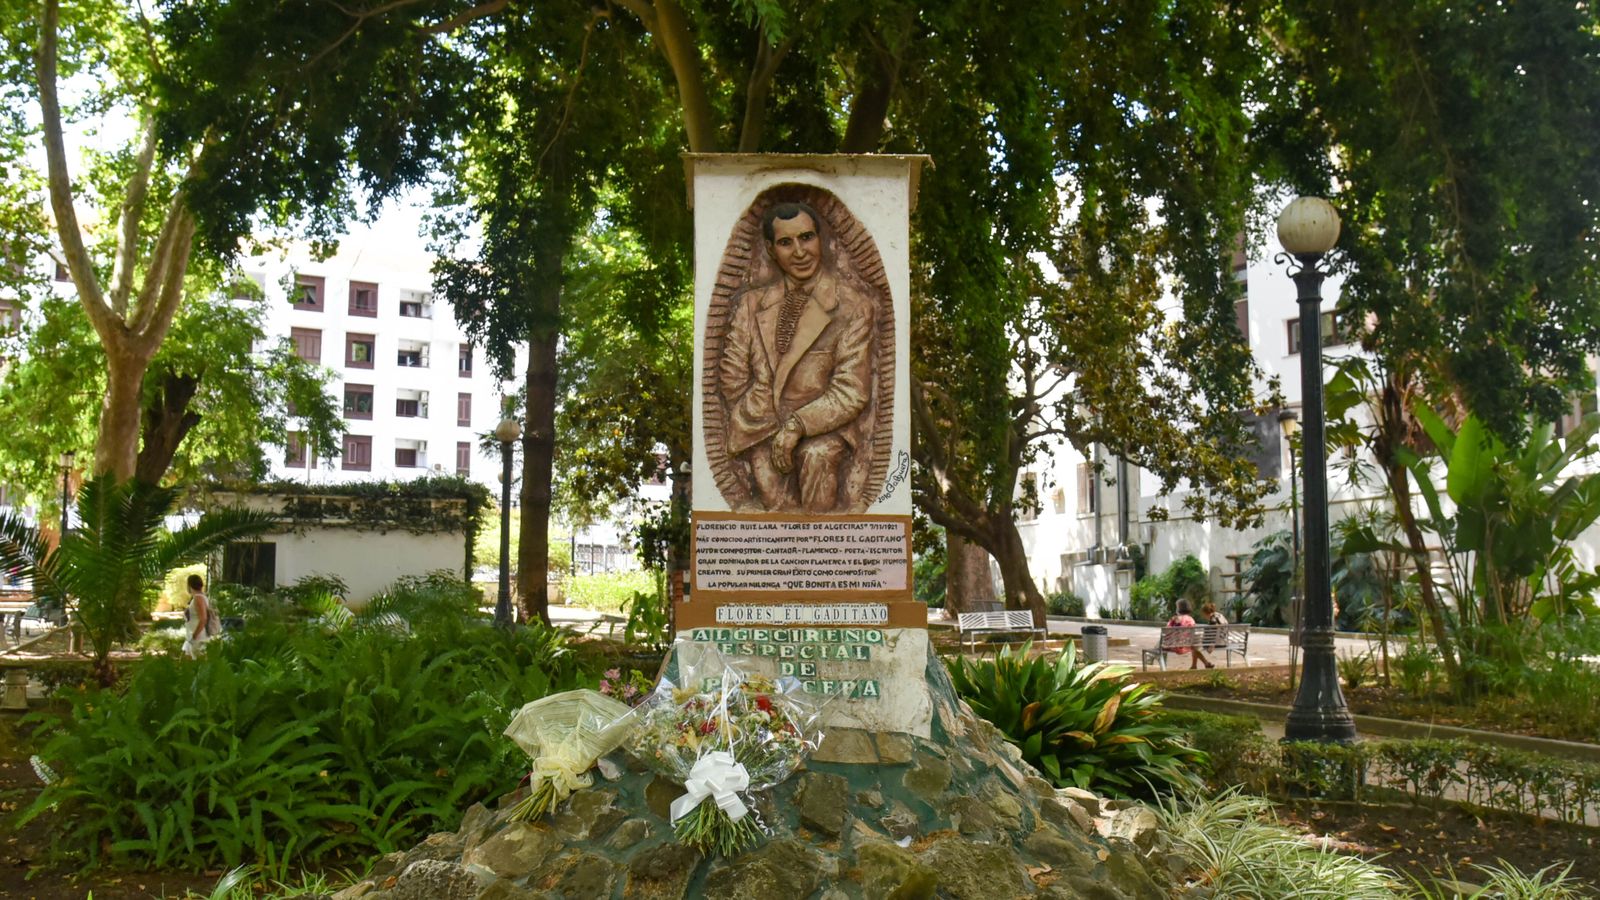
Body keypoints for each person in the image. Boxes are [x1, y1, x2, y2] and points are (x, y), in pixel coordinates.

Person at [719, 201, 876, 513]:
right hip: (759, 426)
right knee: (772, 514)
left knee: (817, 461)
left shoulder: (853, 305)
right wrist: (762, 420)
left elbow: (853, 389)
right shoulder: (751, 304)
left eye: (806, 238)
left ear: (822, 239)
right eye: (786, 242)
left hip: (822, 428)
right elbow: (732, 377)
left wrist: (797, 425)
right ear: (770, 248)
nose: (800, 252)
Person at [1167, 598, 1214, 669]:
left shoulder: (1174, 619)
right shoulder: (1191, 619)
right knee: (1193, 644)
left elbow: (1167, 631)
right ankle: (1196, 665)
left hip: (1176, 646)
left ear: (1178, 609)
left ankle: (1152, 658)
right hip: (1187, 646)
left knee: (1193, 645)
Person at [183, 574, 213, 659]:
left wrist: (195, 636)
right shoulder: (199, 597)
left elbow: (203, 618)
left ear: (189, 585)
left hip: (198, 637)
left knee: (198, 662)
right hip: (192, 635)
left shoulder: (198, 598)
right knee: (187, 661)